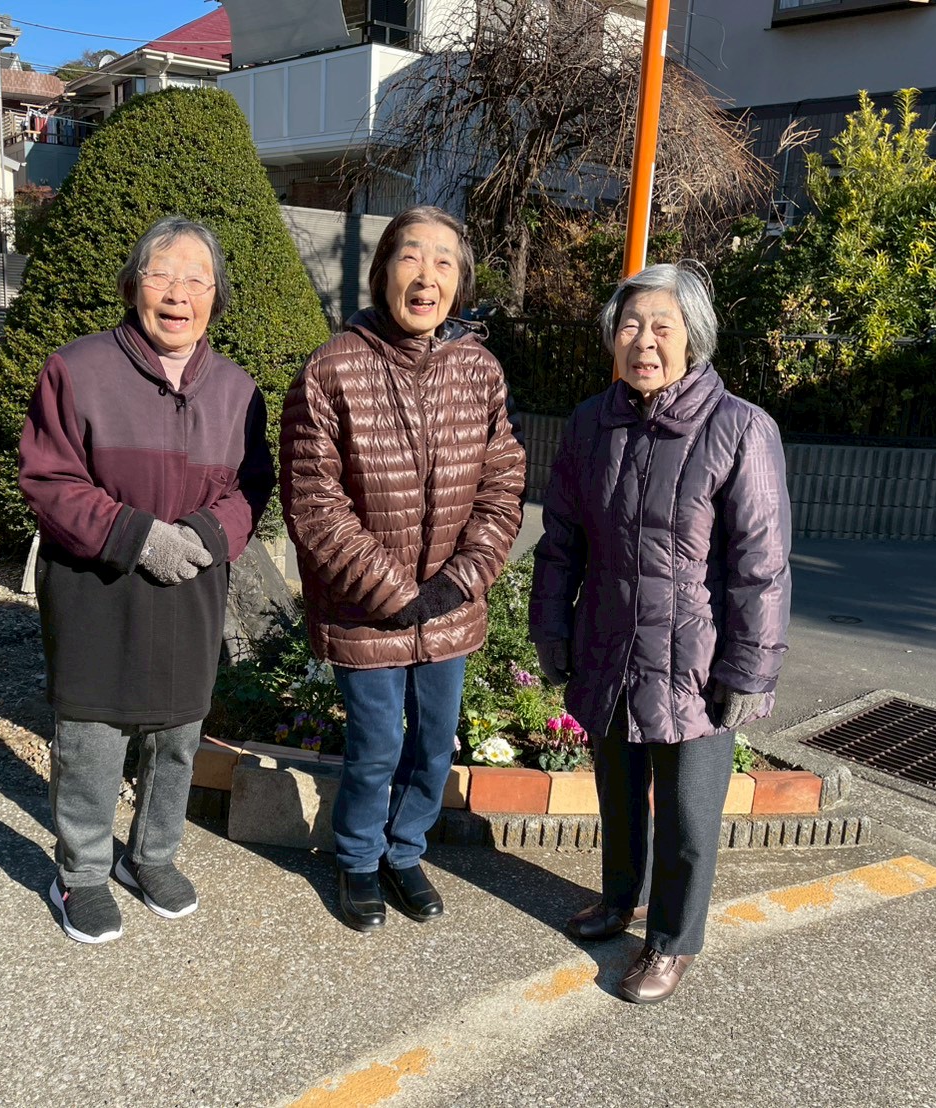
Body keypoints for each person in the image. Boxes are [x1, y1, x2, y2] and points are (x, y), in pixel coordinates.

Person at [529, 262, 791, 1003]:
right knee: (617, 791)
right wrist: (552, 631)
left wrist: (750, 671)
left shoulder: (740, 427)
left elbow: (761, 566)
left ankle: (672, 943)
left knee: (685, 816)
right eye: (629, 326)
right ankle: (620, 900)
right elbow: (561, 544)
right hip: (609, 646)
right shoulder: (590, 423)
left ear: (692, 338)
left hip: (696, 662)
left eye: (660, 327)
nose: (642, 341)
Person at [18, 215, 273, 943]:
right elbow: (48, 477)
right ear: (133, 285)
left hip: (192, 583)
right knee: (91, 739)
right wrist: (136, 536)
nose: (178, 292)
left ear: (216, 298)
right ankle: (82, 873)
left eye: (197, 278)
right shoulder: (78, 368)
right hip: (96, 582)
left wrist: (200, 536)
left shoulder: (235, 389)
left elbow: (254, 485)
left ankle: (151, 857)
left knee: (177, 733)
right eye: (162, 274)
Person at [281, 205, 526, 933]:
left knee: (432, 742)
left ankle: (404, 850)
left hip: (451, 605)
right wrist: (393, 592)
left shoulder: (478, 369)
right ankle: (356, 860)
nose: (426, 276)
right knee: (375, 746)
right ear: (383, 269)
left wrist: (459, 581)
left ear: (460, 282)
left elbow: (502, 481)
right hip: (367, 610)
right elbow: (312, 499)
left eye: (444, 262)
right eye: (410, 258)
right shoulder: (333, 368)